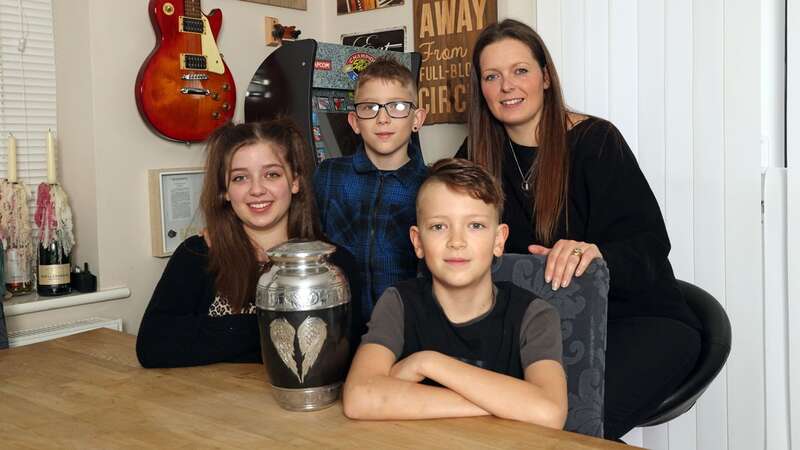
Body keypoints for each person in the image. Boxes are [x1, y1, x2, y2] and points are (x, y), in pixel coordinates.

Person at [456, 18, 702, 440]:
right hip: (543, 336)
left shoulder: (597, 142)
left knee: (565, 427)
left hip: (637, 320)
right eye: (492, 76)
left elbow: (650, 246)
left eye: (521, 71)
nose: (507, 86)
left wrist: (596, 253)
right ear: (481, 88)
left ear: (545, 77)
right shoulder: (476, 157)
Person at [342, 158, 567, 429]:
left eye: (475, 226)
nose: (457, 242)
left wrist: (428, 363)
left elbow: (549, 412)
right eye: (439, 226)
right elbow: (359, 397)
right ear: (417, 241)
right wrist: (504, 405)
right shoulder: (398, 303)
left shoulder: (534, 315)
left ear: (499, 240)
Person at [137, 119, 361, 368]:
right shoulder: (198, 255)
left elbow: (343, 354)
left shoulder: (333, 265)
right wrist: (266, 328)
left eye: (271, 174)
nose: (257, 189)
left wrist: (217, 337)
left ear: (295, 181)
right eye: (240, 178)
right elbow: (153, 345)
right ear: (225, 190)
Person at [313, 57, 428, 322]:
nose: (383, 118)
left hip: (406, 325)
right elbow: (299, 232)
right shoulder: (329, 175)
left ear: (417, 119)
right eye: (370, 107)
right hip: (338, 323)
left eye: (398, 106)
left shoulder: (431, 185)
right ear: (354, 121)